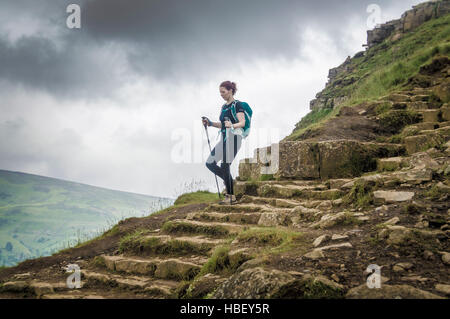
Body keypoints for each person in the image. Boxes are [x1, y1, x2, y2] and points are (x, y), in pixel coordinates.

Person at [202, 81, 246, 205]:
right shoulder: (224, 107)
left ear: (230, 90)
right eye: (220, 92)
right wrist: (210, 123)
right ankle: (230, 182)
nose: (221, 94)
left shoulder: (238, 105)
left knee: (225, 166)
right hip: (224, 139)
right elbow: (223, 125)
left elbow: (242, 122)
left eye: (223, 92)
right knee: (210, 163)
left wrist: (232, 125)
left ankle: (231, 196)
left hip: (235, 138)